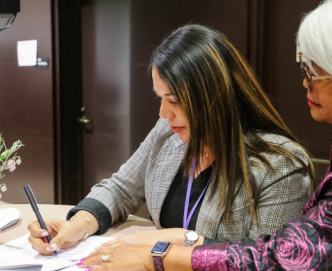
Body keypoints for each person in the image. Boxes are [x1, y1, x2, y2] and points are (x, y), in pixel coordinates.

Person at [78, 0, 332, 270]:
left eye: (314, 71)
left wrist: (163, 252)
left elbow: (281, 259)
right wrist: (81, 220)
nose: (305, 81)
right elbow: (123, 187)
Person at [27, 24, 315, 256]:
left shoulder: (280, 167)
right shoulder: (169, 134)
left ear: (216, 98)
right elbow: (120, 189)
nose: (164, 113)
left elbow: (264, 260)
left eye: (175, 100)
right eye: (160, 98)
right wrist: (79, 224)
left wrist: (176, 244)